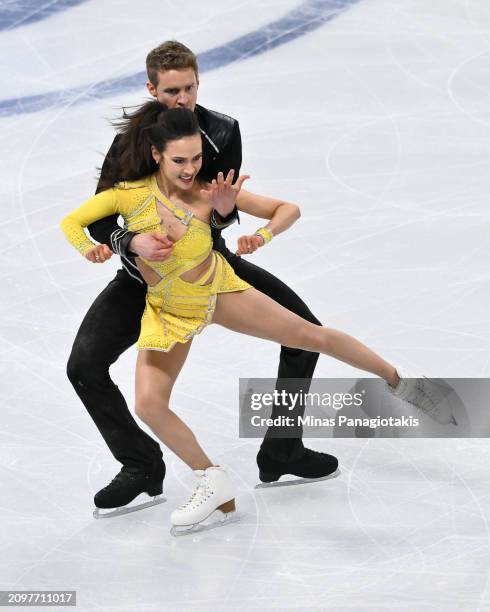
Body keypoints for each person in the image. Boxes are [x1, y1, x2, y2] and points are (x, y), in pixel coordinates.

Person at [61, 102, 456, 534]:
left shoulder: (209, 192)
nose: (191, 168)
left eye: (196, 158)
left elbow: (288, 209)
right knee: (149, 405)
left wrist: (242, 222)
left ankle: (401, 383)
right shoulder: (127, 195)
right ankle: (213, 482)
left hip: (218, 290)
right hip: (170, 310)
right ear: (156, 155)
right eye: (180, 160)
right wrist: (104, 247)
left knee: (310, 335)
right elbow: (71, 223)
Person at [66, 41, 339, 518]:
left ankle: (282, 450)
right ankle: (141, 466)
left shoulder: (223, 132)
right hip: (145, 278)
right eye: (172, 90)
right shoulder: (132, 140)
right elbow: (97, 216)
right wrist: (132, 243)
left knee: (305, 333)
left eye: (190, 88)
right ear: (152, 88)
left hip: (207, 266)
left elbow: (222, 207)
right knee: (84, 366)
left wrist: (219, 221)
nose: (183, 99)